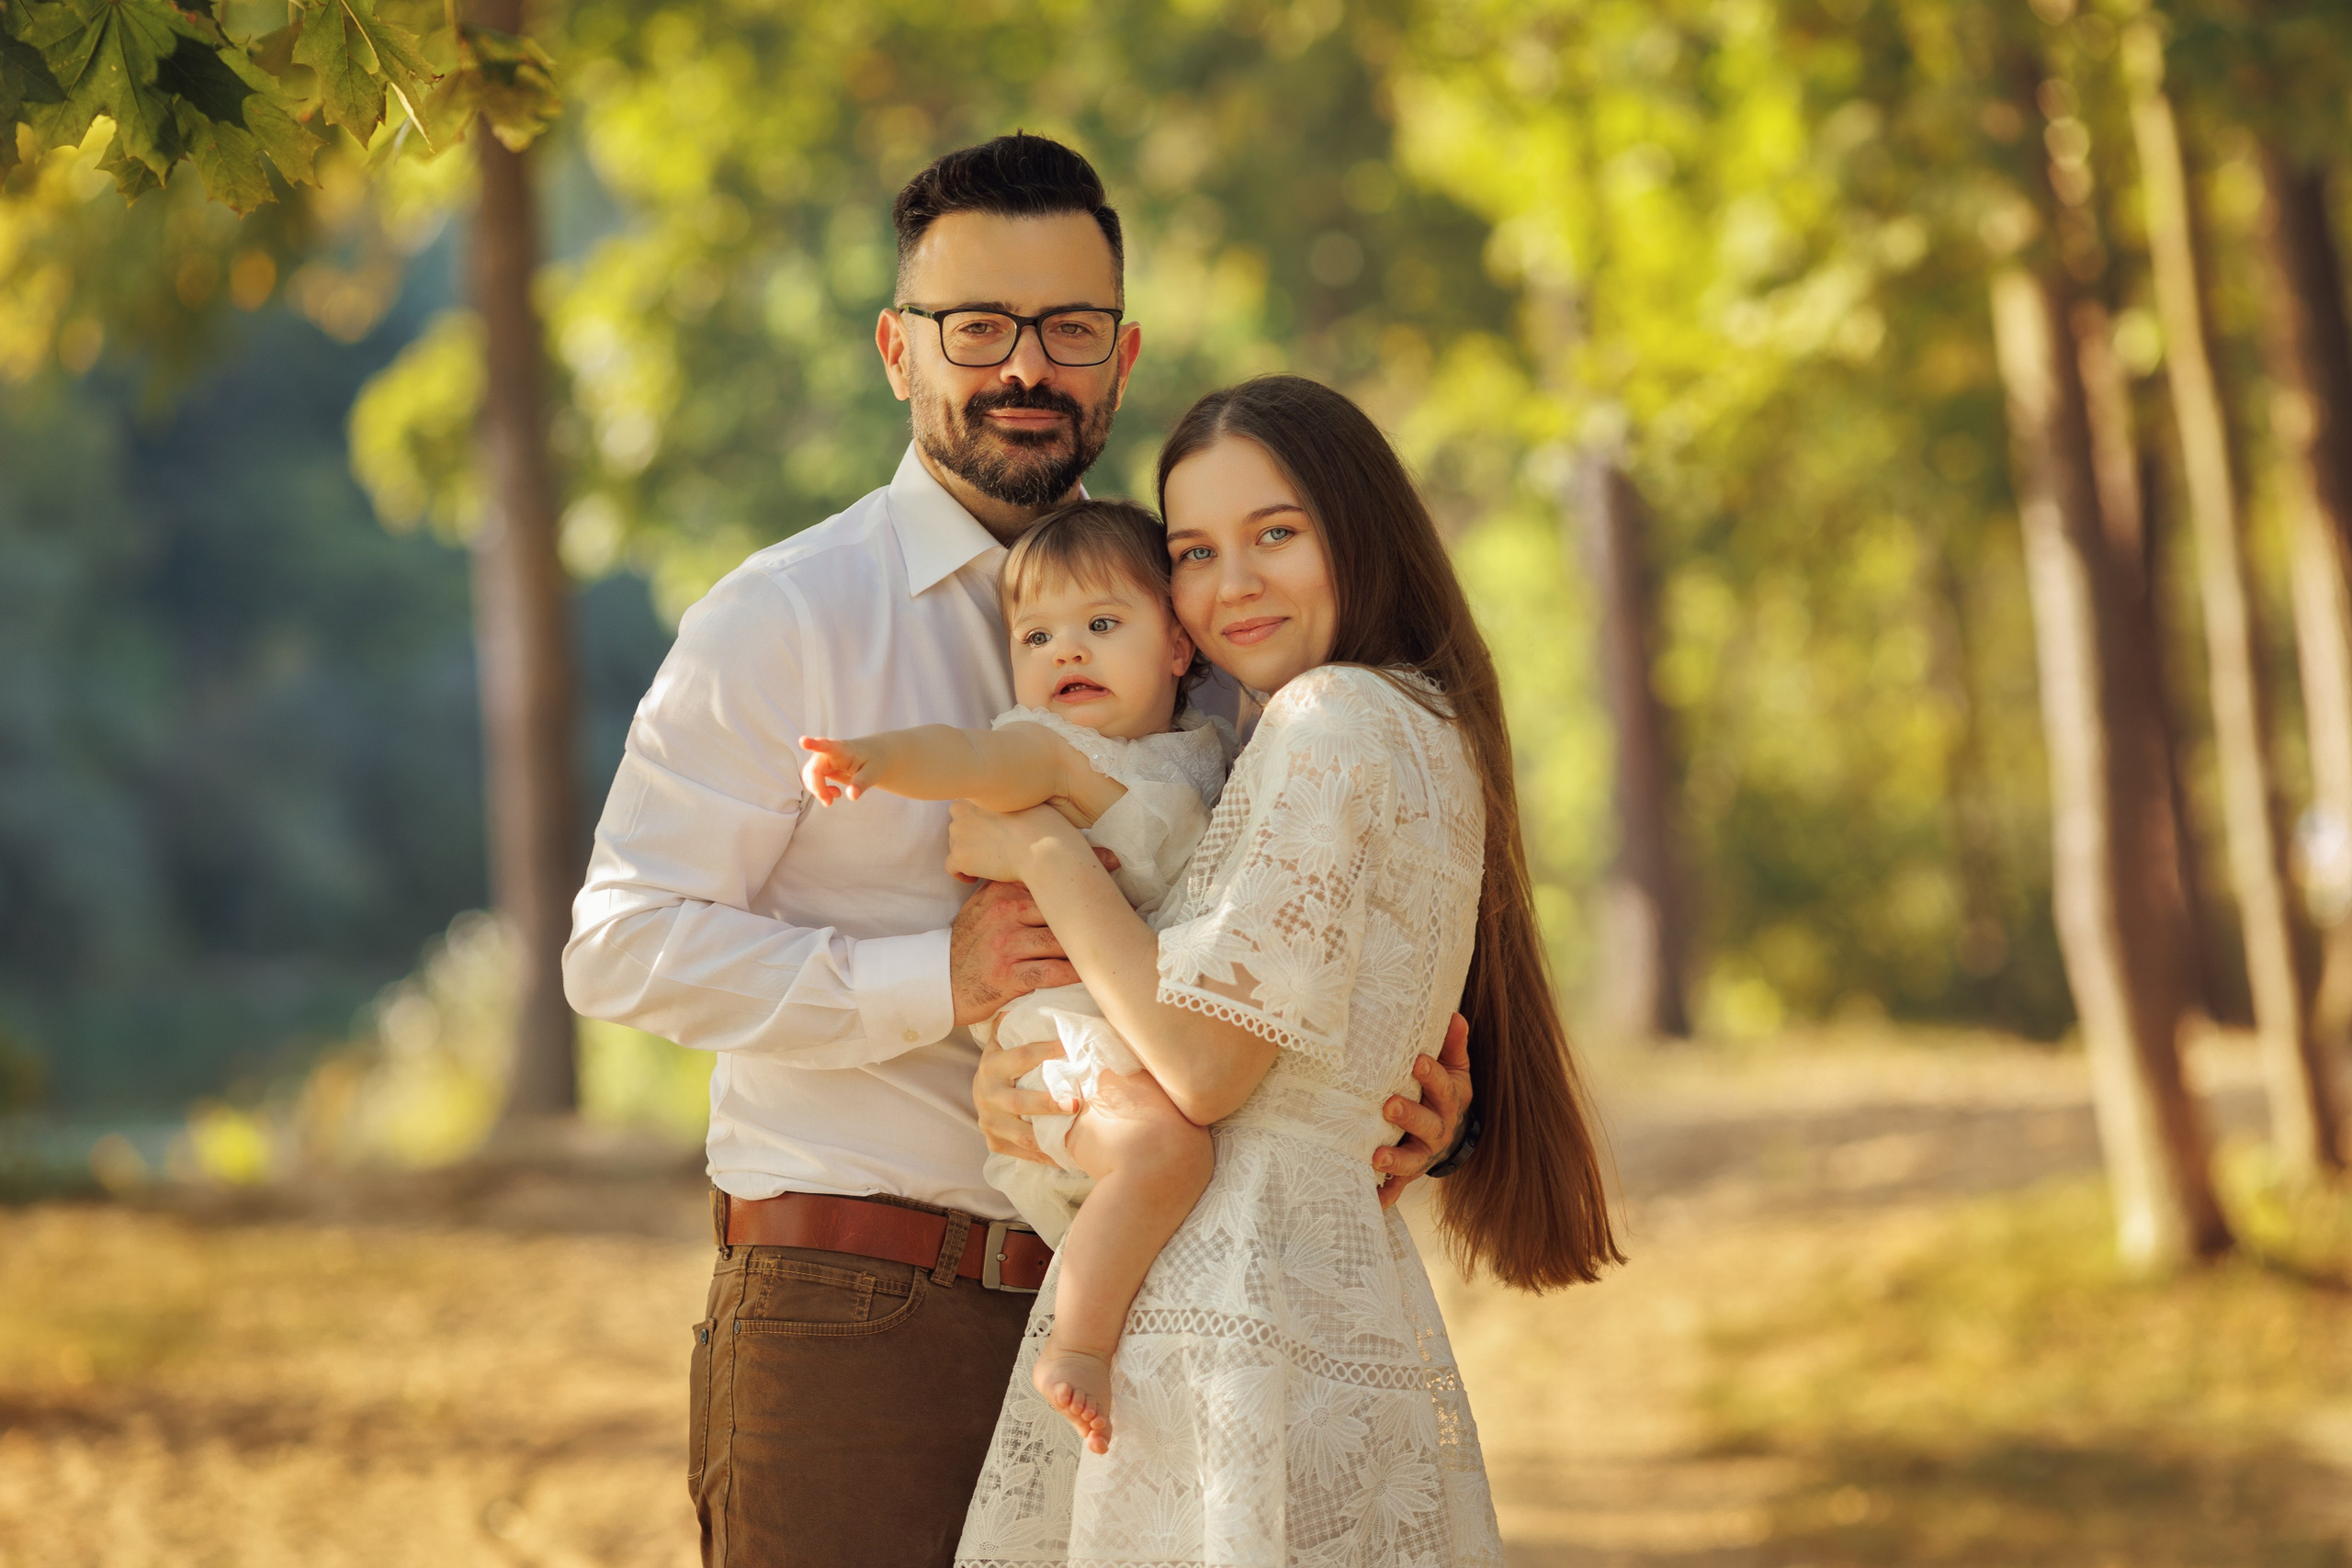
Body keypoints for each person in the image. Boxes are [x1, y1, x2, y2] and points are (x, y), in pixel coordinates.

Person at [561, 135, 1471, 1568]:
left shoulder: (1196, 627)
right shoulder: (786, 618)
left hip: (1156, 1308)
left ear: (1122, 354)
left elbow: (1275, 930)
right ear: (897, 349)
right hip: (860, 1313)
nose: (1025, 366)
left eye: (1070, 329)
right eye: (977, 327)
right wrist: (942, 974)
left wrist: (1405, 1102)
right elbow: (617, 943)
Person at [949, 375, 1621, 1568]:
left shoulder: (1326, 721)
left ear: (1359, 527)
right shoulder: (1424, 729)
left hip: (1231, 1329)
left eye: (1276, 533)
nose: (1233, 584)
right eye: (1196, 551)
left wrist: (1048, 847)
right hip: (1330, 1309)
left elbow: (1204, 1066)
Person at [801, 497, 1234, 1455]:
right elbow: (966, 756)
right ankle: (1077, 1349)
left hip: (1149, 1040)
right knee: (1170, 1158)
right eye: (1036, 635)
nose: (1066, 652)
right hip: (1064, 1044)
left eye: (1101, 625)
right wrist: (875, 759)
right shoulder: (1049, 749)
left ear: (1177, 644)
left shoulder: (1205, 754)